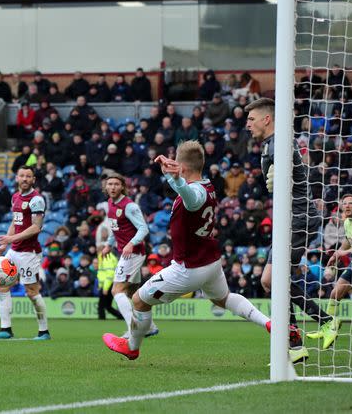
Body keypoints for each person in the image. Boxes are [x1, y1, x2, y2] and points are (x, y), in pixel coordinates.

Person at [102, 142, 271, 360]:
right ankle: (268, 323)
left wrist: (175, 178)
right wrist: (175, 176)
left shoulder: (195, 193)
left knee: (138, 300)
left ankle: (131, 347)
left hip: (188, 267)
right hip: (211, 262)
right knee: (223, 299)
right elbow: (190, 190)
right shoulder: (207, 184)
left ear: (181, 166)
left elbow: (191, 199)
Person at [245, 97, 330, 364]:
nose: (247, 124)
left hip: (300, 217)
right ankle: (295, 346)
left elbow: (293, 172)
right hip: (287, 219)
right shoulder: (270, 144)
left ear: (266, 119)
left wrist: (282, 175)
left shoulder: (281, 141)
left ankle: (325, 322)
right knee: (269, 280)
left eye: (251, 119)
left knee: (276, 278)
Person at [0, 166, 50, 341]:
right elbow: (16, 222)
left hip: (29, 253)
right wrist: (6, 244)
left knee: (31, 291)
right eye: (21, 176)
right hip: (14, 250)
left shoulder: (36, 200)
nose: (24, 179)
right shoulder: (15, 197)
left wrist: (11, 239)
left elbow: (36, 227)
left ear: (33, 180)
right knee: (1, 284)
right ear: (16, 178)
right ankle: (5, 329)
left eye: (28, 176)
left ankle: (44, 331)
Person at [104, 172, 158, 338]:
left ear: (122, 187)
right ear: (106, 187)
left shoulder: (130, 206)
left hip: (133, 253)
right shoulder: (110, 204)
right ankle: (150, 327)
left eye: (116, 184)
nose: (113, 187)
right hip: (126, 252)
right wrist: (108, 244)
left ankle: (134, 329)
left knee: (116, 290)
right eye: (110, 184)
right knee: (131, 293)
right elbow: (115, 228)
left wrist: (130, 243)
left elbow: (143, 229)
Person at [307, 194, 352, 348]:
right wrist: (336, 255)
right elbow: (348, 241)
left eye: (351, 203)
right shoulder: (348, 222)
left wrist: (344, 253)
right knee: (335, 293)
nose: (347, 206)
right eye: (345, 203)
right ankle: (329, 325)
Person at [97, 246, 123, 320]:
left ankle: (101, 319)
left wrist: (105, 288)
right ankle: (120, 316)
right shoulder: (103, 257)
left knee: (102, 305)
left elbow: (110, 275)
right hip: (107, 284)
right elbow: (102, 274)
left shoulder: (107, 258)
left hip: (108, 284)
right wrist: (100, 285)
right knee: (107, 305)